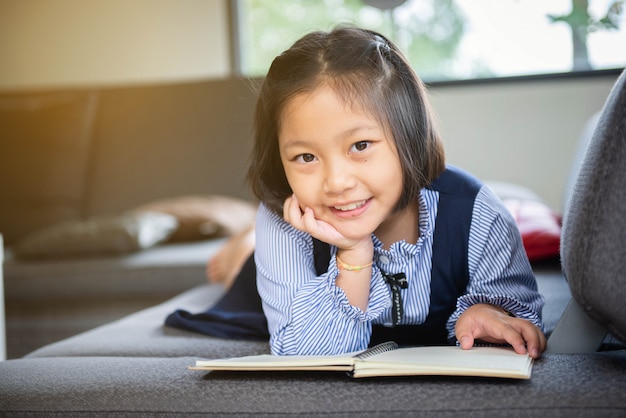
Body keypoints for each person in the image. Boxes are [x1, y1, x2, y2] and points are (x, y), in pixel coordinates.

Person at [207, 26, 546, 358]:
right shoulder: (284, 220)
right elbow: (304, 354)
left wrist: (487, 312)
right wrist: (354, 253)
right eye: (306, 157)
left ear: (409, 136)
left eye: (360, 145)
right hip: (278, 272)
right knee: (241, 271)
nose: (337, 182)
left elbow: (519, 314)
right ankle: (243, 245)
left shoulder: (477, 213)